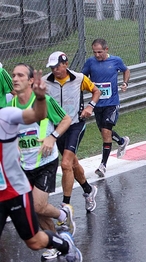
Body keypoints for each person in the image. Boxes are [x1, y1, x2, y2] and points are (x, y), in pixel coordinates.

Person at [0, 69, 82, 261]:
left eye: (20, 75)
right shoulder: (11, 104)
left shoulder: (9, 113)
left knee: (38, 205)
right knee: (38, 213)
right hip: (23, 165)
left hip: (45, 161)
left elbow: (60, 118)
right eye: (13, 75)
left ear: (30, 81)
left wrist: (52, 137)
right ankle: (58, 241)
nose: (15, 79)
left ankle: (62, 215)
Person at [43, 51, 101, 212]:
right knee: (73, 163)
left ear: (66, 64)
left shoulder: (79, 78)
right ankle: (88, 190)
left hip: (75, 124)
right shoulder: (44, 82)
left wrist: (90, 106)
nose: (55, 70)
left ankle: (65, 205)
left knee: (66, 163)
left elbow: (96, 91)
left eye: (57, 66)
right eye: (52, 67)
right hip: (57, 127)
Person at [82, 38, 131, 177]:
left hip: (112, 103)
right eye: (94, 52)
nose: (97, 55)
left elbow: (126, 70)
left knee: (105, 130)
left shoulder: (116, 61)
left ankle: (103, 165)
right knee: (105, 133)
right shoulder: (90, 62)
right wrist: (88, 86)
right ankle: (122, 141)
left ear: (106, 50)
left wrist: (125, 83)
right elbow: (83, 77)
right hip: (97, 104)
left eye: (100, 52)